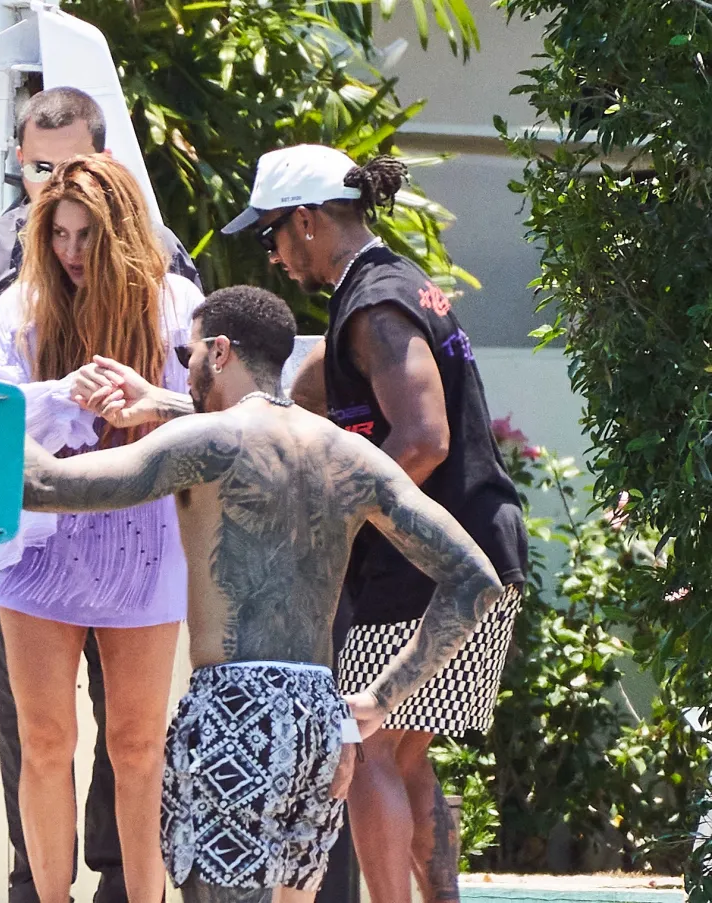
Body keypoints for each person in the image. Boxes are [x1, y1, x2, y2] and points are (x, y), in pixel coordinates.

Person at [0, 283, 504, 903]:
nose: (181, 364)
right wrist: (384, 698)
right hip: (319, 716)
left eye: (187, 350)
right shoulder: (349, 455)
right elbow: (474, 577)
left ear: (219, 352)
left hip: (237, 710)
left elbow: (46, 485)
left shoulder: (209, 445)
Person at [219, 144, 528, 903]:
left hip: (426, 565)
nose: (275, 255)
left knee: (367, 745)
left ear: (307, 221)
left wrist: (336, 524)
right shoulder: (394, 287)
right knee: (407, 751)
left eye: (272, 236)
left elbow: (423, 437)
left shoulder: (374, 305)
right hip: (477, 550)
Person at [0, 154, 203, 903]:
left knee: (137, 746)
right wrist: (62, 392)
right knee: (44, 742)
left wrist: (149, 402)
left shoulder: (174, 305)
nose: (71, 251)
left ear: (125, 236)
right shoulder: (21, 304)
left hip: (141, 539)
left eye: (88, 236)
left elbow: (214, 417)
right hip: (38, 543)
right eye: (60, 233)